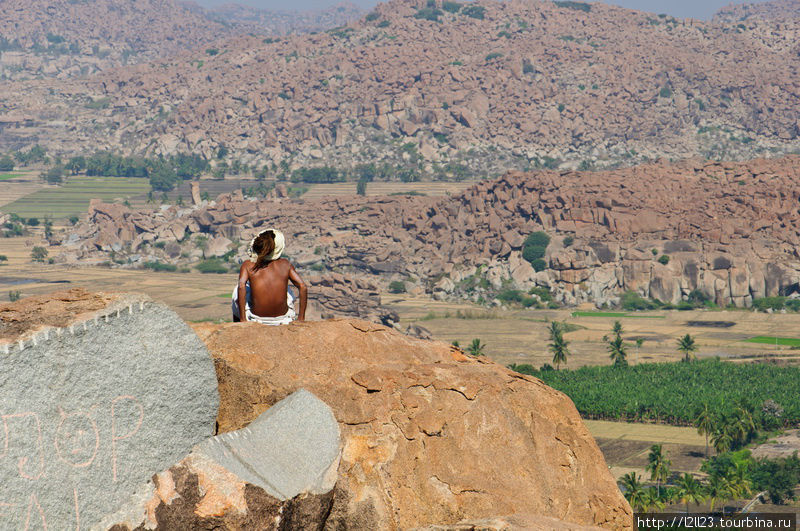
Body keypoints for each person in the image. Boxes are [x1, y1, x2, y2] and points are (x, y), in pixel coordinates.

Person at [231, 228, 307, 324]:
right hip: (283, 319)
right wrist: (301, 318)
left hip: (257, 319)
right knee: (287, 289)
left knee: (237, 289)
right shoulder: (285, 264)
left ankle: (239, 323)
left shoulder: (248, 265)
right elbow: (302, 286)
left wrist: (243, 320)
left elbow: (242, 286)